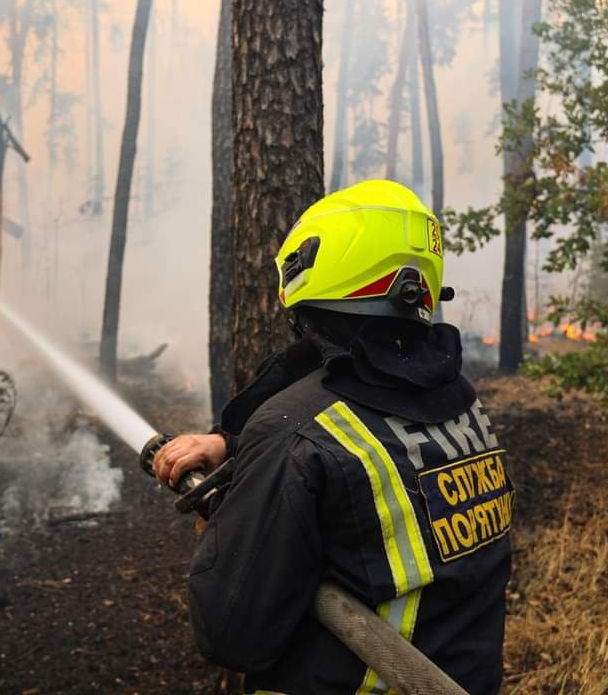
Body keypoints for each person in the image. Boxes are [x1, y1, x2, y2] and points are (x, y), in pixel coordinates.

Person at [154, 180, 512, 695]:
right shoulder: (459, 401)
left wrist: (227, 529)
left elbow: (231, 635)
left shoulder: (298, 434)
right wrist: (239, 449)